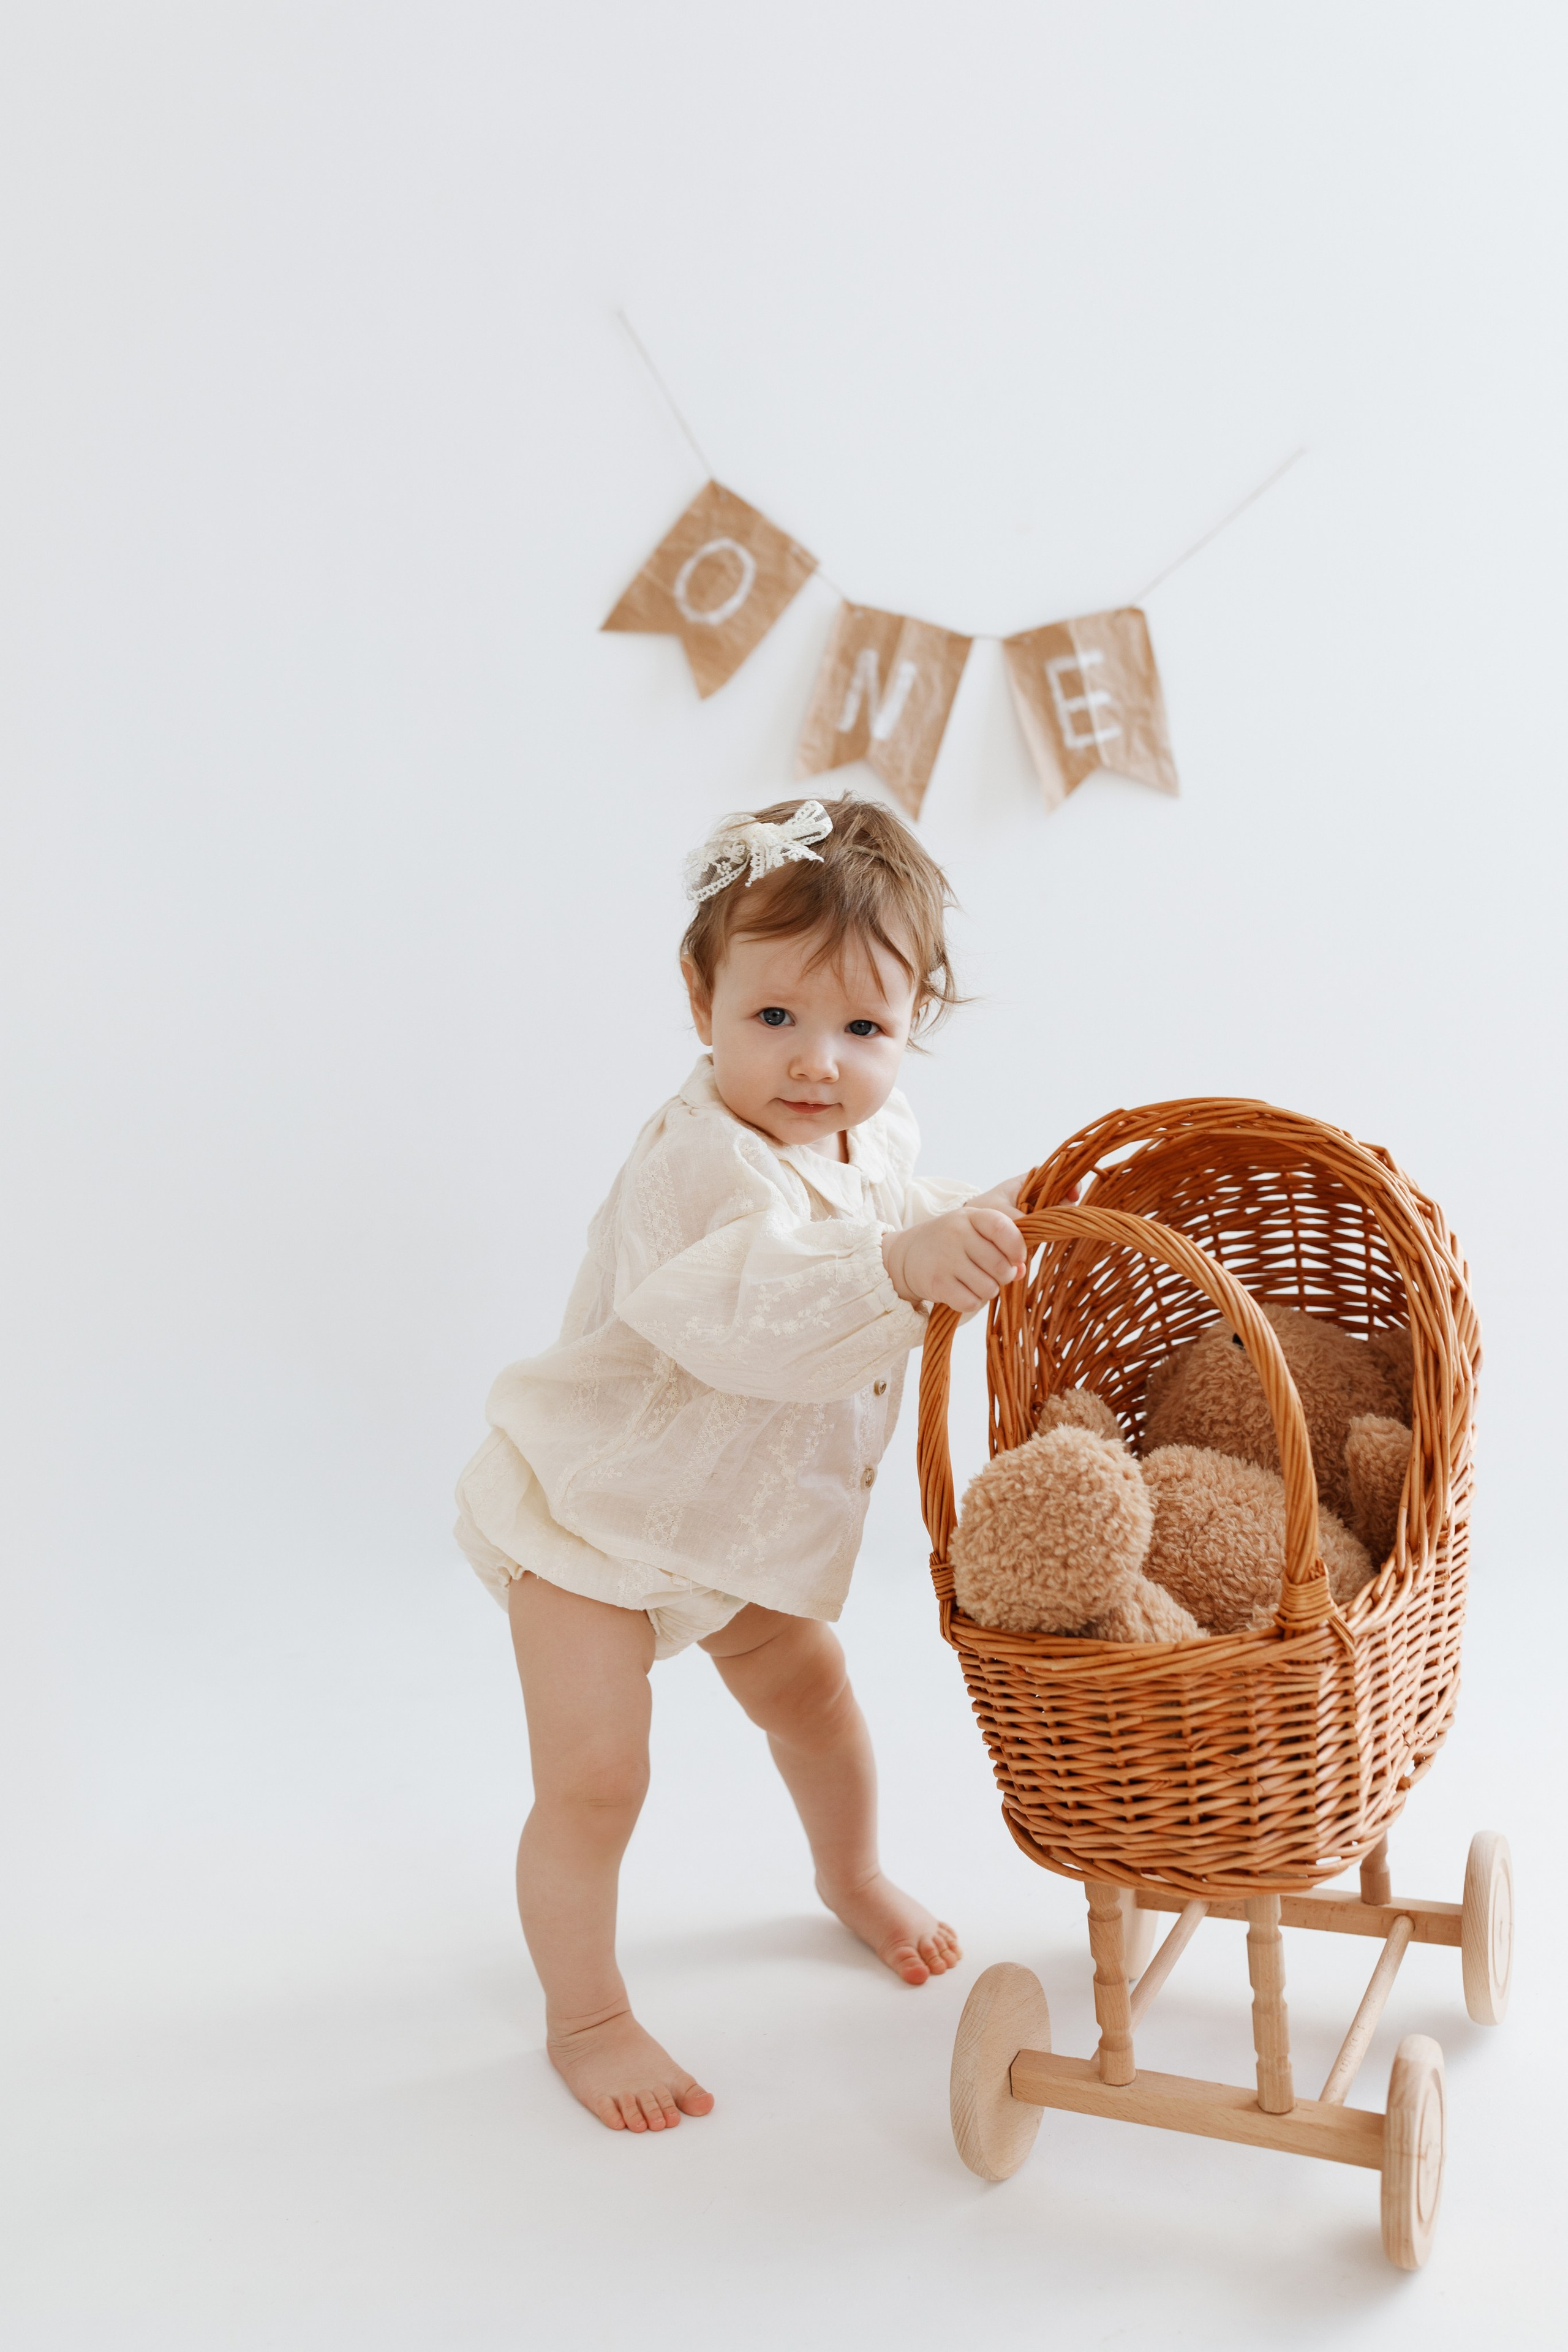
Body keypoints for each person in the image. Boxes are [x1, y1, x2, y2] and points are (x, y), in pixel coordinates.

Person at [454, 794, 1027, 2134]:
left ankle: (851, 1873)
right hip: (596, 1516)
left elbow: (893, 1208)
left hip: (735, 1528)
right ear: (698, 994)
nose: (817, 1064)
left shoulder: (866, 1133)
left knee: (816, 1701)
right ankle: (586, 2015)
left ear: (911, 1025)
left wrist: (984, 1221)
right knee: (598, 1778)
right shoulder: (695, 1165)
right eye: (775, 1016)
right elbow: (754, 1309)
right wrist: (901, 1267)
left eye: (865, 1029)